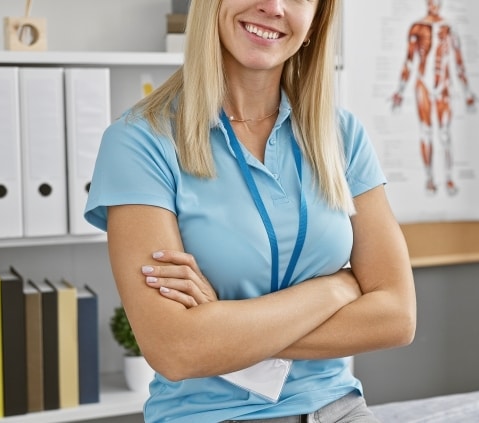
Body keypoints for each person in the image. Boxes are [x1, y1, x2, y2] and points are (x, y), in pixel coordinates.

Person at [82, 0, 417, 421]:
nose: (273, 7)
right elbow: (176, 350)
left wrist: (219, 325)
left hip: (338, 409)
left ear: (314, 23)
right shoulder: (139, 142)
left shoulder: (341, 135)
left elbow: (397, 318)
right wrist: (335, 289)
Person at [390, 0, 477, 196]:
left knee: (445, 134)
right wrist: (400, 91)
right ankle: (429, 178)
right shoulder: (417, 27)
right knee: (426, 133)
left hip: (444, 86)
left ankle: (448, 178)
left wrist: (467, 93)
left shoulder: (449, 28)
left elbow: (458, 61)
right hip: (423, 86)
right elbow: (409, 61)